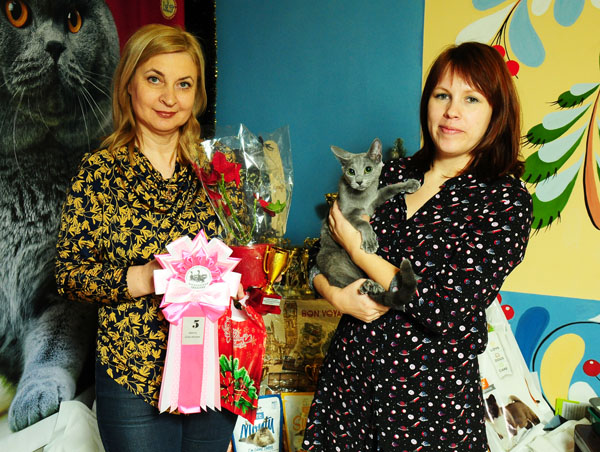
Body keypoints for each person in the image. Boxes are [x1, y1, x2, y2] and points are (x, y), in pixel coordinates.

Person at [302, 42, 533, 451]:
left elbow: (447, 307)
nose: (452, 111)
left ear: (497, 112)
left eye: (471, 99)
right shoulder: (391, 173)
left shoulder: (503, 200)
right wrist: (335, 295)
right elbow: (317, 253)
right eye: (442, 95)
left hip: (427, 408)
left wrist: (359, 251)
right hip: (349, 390)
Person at [55, 24, 237, 452]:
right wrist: (142, 277)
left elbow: (241, 254)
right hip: (132, 373)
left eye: (184, 84)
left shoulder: (218, 173)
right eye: (155, 79)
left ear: (197, 95)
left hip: (213, 370)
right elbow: (68, 274)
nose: (170, 97)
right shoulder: (99, 173)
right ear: (129, 85)